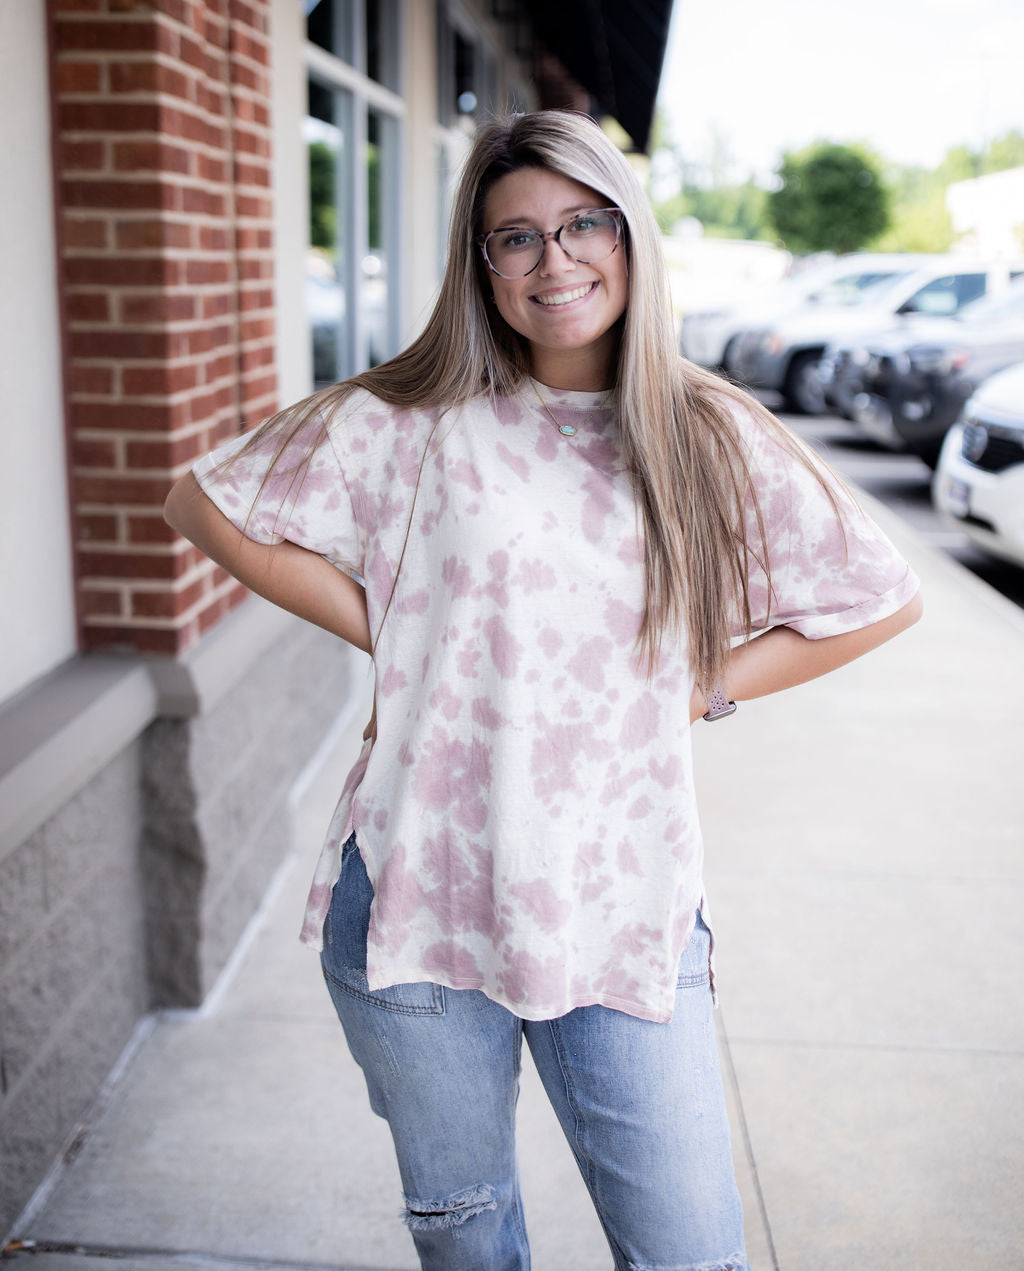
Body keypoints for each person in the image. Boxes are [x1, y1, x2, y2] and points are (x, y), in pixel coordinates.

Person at [165, 110, 922, 1271]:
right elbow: (207, 502)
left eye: (582, 224)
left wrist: (694, 688)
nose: (553, 259)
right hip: (418, 894)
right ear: (482, 264)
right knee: (467, 1234)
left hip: (622, 900)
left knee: (687, 1250)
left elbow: (877, 595)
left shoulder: (706, 428)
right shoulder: (413, 419)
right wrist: (409, 635)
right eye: (514, 237)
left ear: (629, 233)